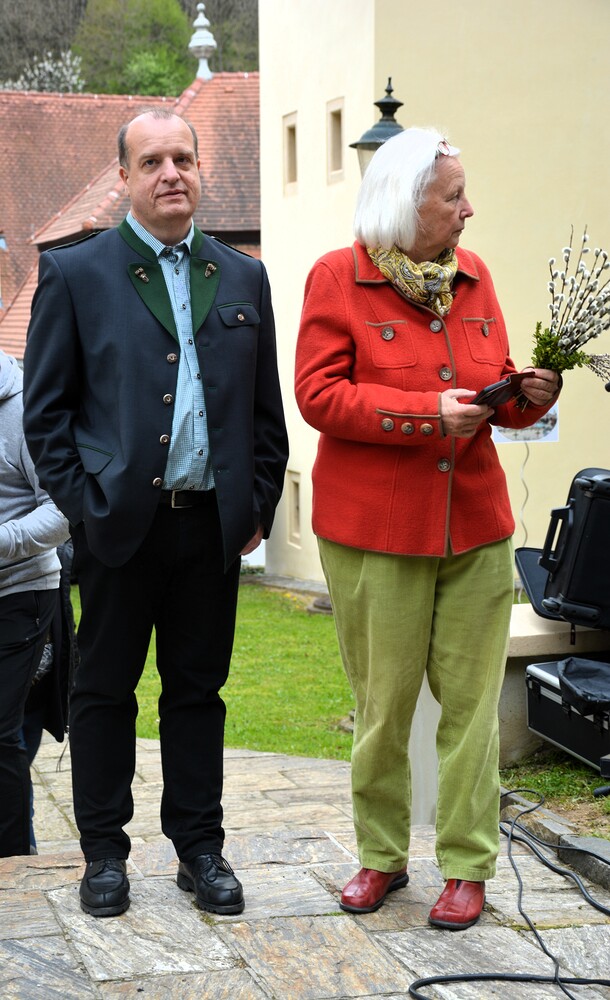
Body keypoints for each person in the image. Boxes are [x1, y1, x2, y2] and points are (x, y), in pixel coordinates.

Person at [23, 108, 288, 917]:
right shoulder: (77, 273)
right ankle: (104, 853)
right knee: (104, 691)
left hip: (210, 527)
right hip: (117, 528)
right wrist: (85, 509)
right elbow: (46, 416)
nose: (171, 173)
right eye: (152, 161)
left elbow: (265, 415)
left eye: (183, 159)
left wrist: (257, 505)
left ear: (200, 170)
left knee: (198, 692)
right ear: (125, 177)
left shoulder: (242, 276)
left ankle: (199, 849)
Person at [294, 127, 560, 930]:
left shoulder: (475, 277)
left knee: (472, 708)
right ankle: (381, 856)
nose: (468, 210)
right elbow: (318, 397)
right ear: (406, 204)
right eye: (453, 197)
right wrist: (424, 415)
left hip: (475, 529)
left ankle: (467, 866)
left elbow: (490, 392)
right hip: (374, 534)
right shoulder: (337, 277)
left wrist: (528, 395)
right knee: (383, 706)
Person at [0, 349, 69, 858]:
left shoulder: (24, 406)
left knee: (1, 734)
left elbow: (63, 509)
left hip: (20, 591)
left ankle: (13, 866)